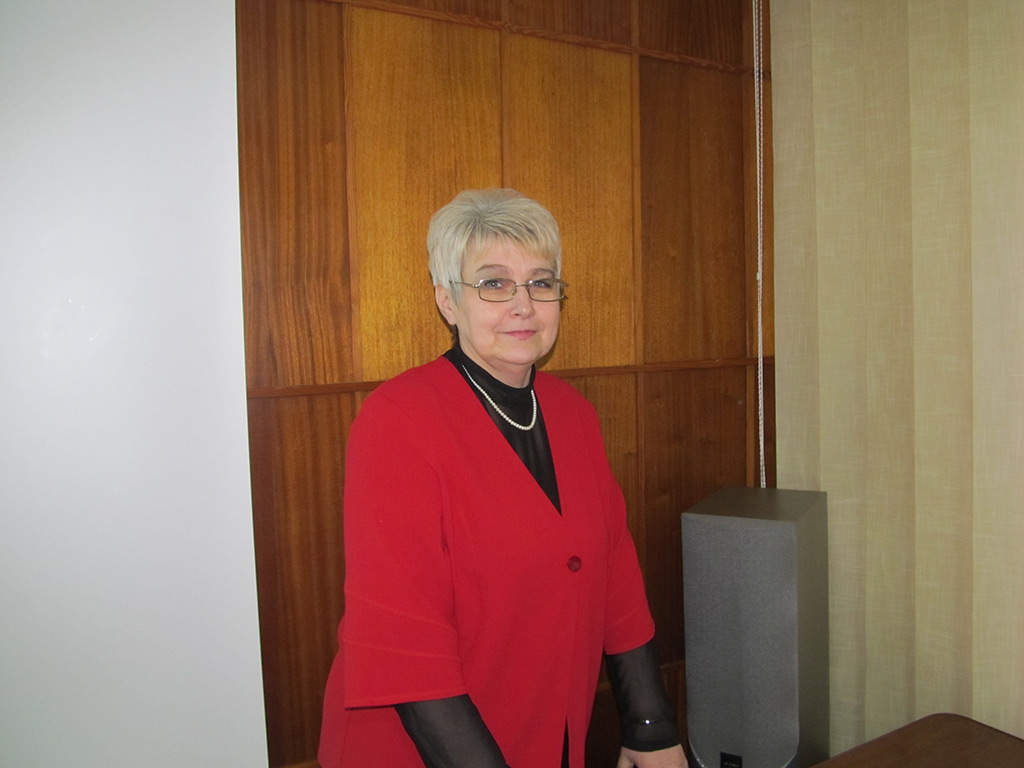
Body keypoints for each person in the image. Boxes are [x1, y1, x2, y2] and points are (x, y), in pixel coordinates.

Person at [318, 189, 688, 768]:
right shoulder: (398, 420)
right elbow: (404, 639)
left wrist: (651, 726)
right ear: (447, 301)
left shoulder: (572, 413)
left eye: (541, 282)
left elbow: (614, 568)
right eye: (493, 283)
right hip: (423, 746)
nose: (523, 305)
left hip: (546, 723)